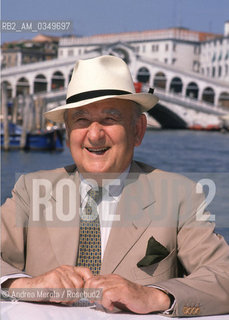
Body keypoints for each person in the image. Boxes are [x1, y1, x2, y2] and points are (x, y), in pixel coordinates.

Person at [1, 55, 229, 317]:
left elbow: (223, 275)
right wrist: (24, 285)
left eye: (110, 119)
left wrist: (155, 295)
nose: (95, 134)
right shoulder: (32, 191)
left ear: (138, 131)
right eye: (81, 120)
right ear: (67, 132)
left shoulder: (179, 196)